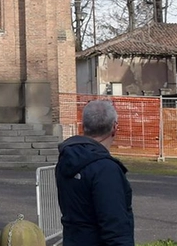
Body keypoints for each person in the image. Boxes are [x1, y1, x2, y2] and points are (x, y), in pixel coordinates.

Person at [55, 99, 134, 246]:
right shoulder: (106, 169)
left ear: (83, 126)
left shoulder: (66, 160)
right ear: (115, 127)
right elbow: (115, 225)